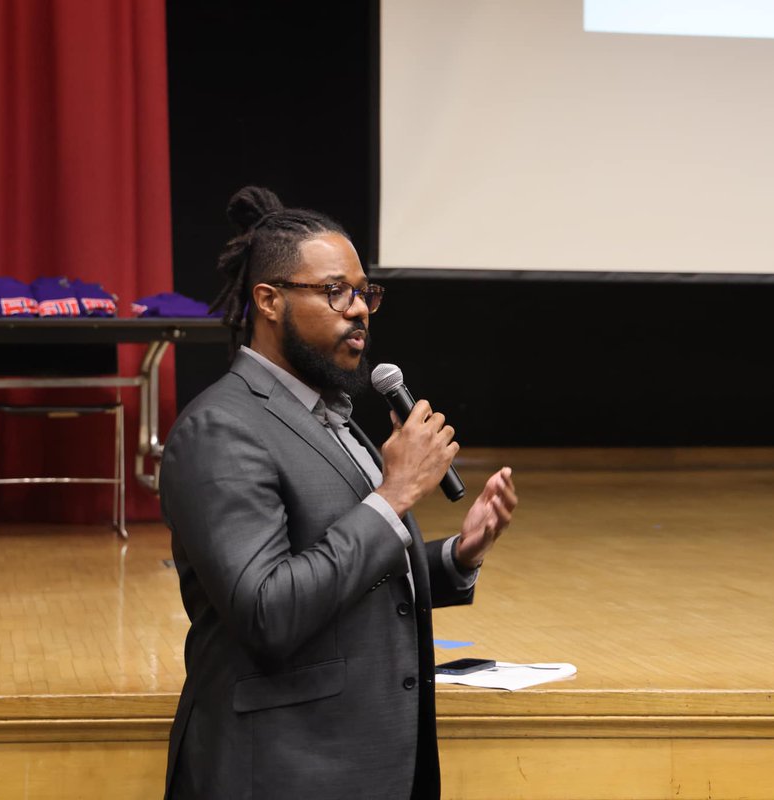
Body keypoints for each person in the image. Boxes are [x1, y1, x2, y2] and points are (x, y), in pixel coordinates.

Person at [160, 186, 517, 799]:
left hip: (367, 761)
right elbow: (269, 610)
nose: (359, 310)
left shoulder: (334, 416)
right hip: (283, 769)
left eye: (364, 292)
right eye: (334, 291)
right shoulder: (221, 428)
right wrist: (394, 493)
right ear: (269, 301)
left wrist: (455, 555)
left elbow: (353, 575)